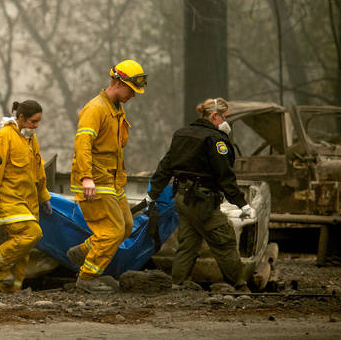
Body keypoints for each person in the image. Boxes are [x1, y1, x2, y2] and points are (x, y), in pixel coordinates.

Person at [147, 97, 255, 290]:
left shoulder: (181, 134)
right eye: (225, 117)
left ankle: (177, 284)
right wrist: (242, 204)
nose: (225, 122)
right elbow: (225, 175)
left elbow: (165, 166)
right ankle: (239, 286)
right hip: (202, 202)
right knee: (224, 241)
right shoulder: (215, 139)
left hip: (181, 199)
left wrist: (152, 193)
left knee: (188, 243)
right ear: (215, 115)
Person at [67, 60, 147, 293]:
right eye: (132, 90)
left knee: (126, 226)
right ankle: (88, 277)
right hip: (95, 179)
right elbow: (83, 144)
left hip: (113, 180)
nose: (133, 95)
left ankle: (82, 251)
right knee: (111, 232)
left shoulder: (116, 109)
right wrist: (85, 178)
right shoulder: (96, 109)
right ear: (118, 82)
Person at [0, 100, 52, 293]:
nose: (36, 126)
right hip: (9, 199)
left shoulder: (30, 139)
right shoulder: (4, 137)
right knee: (32, 234)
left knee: (24, 251)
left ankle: (12, 291)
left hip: (28, 201)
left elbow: (39, 170)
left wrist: (43, 196)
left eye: (38, 122)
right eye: (33, 121)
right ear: (21, 118)